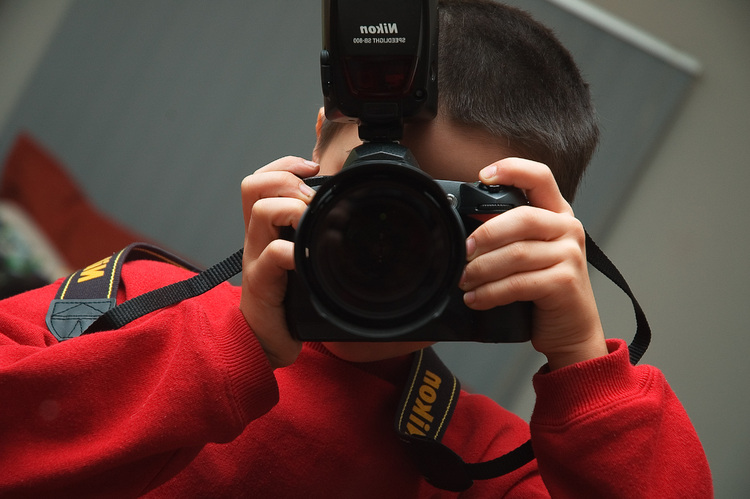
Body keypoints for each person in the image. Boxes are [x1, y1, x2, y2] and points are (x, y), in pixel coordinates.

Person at [0, 0, 712, 497]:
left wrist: (587, 369)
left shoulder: (477, 461)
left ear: (532, 240)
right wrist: (225, 342)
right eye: (376, 191)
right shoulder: (133, 306)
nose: (389, 240)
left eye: (447, 215)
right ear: (317, 142)